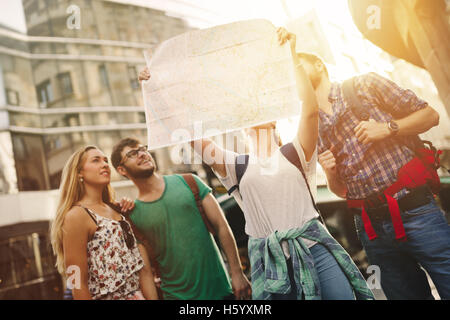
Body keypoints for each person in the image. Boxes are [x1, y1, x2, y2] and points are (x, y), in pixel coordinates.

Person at [139, 27, 374, 300]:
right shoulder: (234, 165)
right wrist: (156, 88)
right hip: (271, 262)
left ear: (275, 121)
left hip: (316, 249)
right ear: (242, 128)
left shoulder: (296, 152)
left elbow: (309, 110)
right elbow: (192, 134)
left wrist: (292, 57)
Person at [296, 50, 450, 299]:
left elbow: (431, 116)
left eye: (298, 64)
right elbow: (342, 192)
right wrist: (330, 172)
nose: (295, 73)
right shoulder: (311, 128)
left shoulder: (364, 85)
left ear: (319, 64)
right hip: (372, 230)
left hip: (417, 211)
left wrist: (388, 128)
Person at [110, 138, 252, 300]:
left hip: (220, 291)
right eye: (133, 154)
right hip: (176, 297)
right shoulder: (132, 215)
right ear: (121, 170)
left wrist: (237, 273)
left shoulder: (190, 182)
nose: (142, 154)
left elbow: (222, 226)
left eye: (143, 149)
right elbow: (146, 272)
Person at [50, 145, 158, 300]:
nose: (105, 164)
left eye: (105, 160)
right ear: (79, 172)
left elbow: (143, 270)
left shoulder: (118, 210)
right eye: (96, 160)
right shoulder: (76, 215)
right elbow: (77, 283)